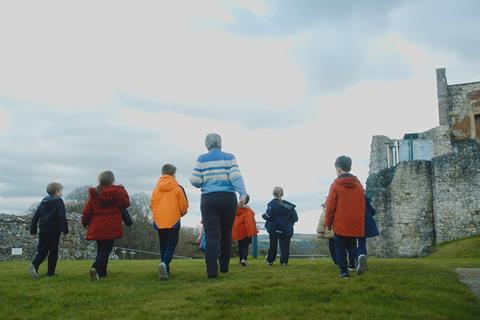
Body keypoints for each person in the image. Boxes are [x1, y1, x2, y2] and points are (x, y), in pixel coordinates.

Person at [190, 133, 248, 278]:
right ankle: (224, 266)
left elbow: (195, 181)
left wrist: (205, 181)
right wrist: (242, 194)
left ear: (206, 145)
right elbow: (236, 177)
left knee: (211, 235)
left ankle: (211, 271)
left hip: (209, 199)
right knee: (226, 233)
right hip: (228, 198)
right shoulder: (229, 157)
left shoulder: (201, 159)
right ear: (220, 144)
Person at [82, 171, 130, 281]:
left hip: (97, 226)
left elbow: (87, 211)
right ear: (112, 180)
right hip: (111, 225)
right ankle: (95, 267)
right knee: (106, 250)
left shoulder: (95, 194)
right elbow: (126, 203)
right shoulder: (118, 192)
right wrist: (123, 190)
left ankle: (102, 273)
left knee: (101, 249)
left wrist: (85, 223)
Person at [325, 156, 366, 278]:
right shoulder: (358, 184)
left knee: (340, 247)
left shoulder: (336, 185)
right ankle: (359, 256)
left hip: (340, 222)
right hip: (356, 222)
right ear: (350, 167)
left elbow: (330, 206)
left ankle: (344, 272)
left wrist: (328, 223)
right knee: (352, 245)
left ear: (338, 169)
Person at [150, 164, 189, 280]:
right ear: (173, 174)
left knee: (163, 245)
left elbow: (151, 205)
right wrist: (180, 214)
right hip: (173, 220)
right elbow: (183, 206)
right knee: (171, 244)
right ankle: (165, 264)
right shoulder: (177, 187)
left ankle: (165, 271)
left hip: (159, 221)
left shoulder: (156, 189)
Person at [29, 182, 69, 278]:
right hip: (54, 230)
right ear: (57, 191)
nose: (62, 193)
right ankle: (50, 273)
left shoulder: (44, 201)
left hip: (43, 230)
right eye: (61, 191)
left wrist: (33, 228)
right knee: (53, 252)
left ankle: (34, 265)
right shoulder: (58, 201)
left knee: (42, 251)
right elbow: (61, 216)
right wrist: (65, 229)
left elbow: (36, 215)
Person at [262, 187, 298, 266]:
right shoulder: (289, 206)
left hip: (274, 227)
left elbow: (268, 215)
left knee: (273, 245)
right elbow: (295, 218)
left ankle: (270, 261)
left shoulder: (271, 204)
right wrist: (290, 223)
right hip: (286, 228)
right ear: (282, 193)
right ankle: (284, 261)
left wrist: (263, 216)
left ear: (273, 193)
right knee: (285, 246)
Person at [317, 203, 355, 269]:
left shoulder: (328, 208)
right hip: (346, 229)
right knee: (349, 247)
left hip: (333, 231)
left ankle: (339, 263)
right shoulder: (345, 205)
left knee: (335, 248)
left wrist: (321, 232)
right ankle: (352, 263)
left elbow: (323, 220)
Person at [232, 195, 258, 266]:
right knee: (245, 246)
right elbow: (251, 222)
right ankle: (244, 260)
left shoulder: (235, 210)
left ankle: (241, 260)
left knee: (240, 245)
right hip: (247, 230)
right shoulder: (248, 210)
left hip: (238, 230)